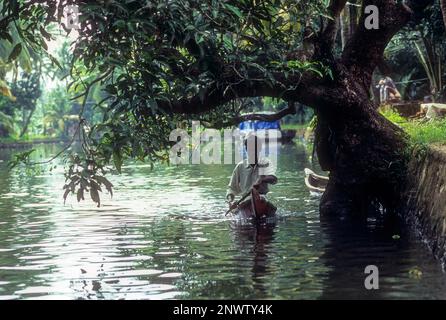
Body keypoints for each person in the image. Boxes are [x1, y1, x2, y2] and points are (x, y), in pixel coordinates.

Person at [226, 134, 278, 217]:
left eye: (255, 149)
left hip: (262, 198)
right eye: (250, 149)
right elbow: (231, 189)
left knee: (267, 204)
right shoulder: (240, 166)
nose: (252, 152)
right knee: (242, 205)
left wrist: (262, 179)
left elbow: (274, 179)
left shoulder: (265, 162)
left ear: (260, 149)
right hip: (245, 200)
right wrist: (230, 201)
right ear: (246, 149)